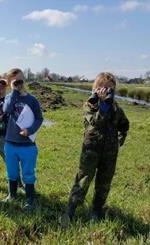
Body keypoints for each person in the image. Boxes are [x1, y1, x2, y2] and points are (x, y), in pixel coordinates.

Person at [61, 72, 130, 227]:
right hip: (91, 150)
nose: (104, 91)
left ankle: (96, 211)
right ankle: (70, 210)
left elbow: (124, 124)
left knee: (104, 182)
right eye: (101, 87)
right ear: (95, 89)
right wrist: (103, 105)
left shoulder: (116, 108)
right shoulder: (89, 105)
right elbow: (95, 122)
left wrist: (122, 135)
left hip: (110, 152)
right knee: (83, 179)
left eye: (109, 88)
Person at [2, 68, 43, 210]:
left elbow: (39, 118)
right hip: (10, 143)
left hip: (28, 145)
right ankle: (12, 195)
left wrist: (30, 130)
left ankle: (29, 199)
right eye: (15, 82)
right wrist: (14, 92)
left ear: (24, 80)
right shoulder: (9, 98)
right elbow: (6, 110)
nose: (19, 84)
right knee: (12, 172)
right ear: (10, 83)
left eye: (20, 80)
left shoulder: (32, 100)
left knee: (28, 173)